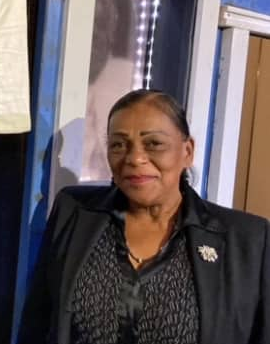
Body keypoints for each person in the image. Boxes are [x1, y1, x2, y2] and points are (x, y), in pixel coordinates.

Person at [18, 89, 269, 344]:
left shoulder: (247, 241)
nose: (135, 158)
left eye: (154, 144)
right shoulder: (74, 213)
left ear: (187, 151)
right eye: (118, 144)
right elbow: (36, 325)